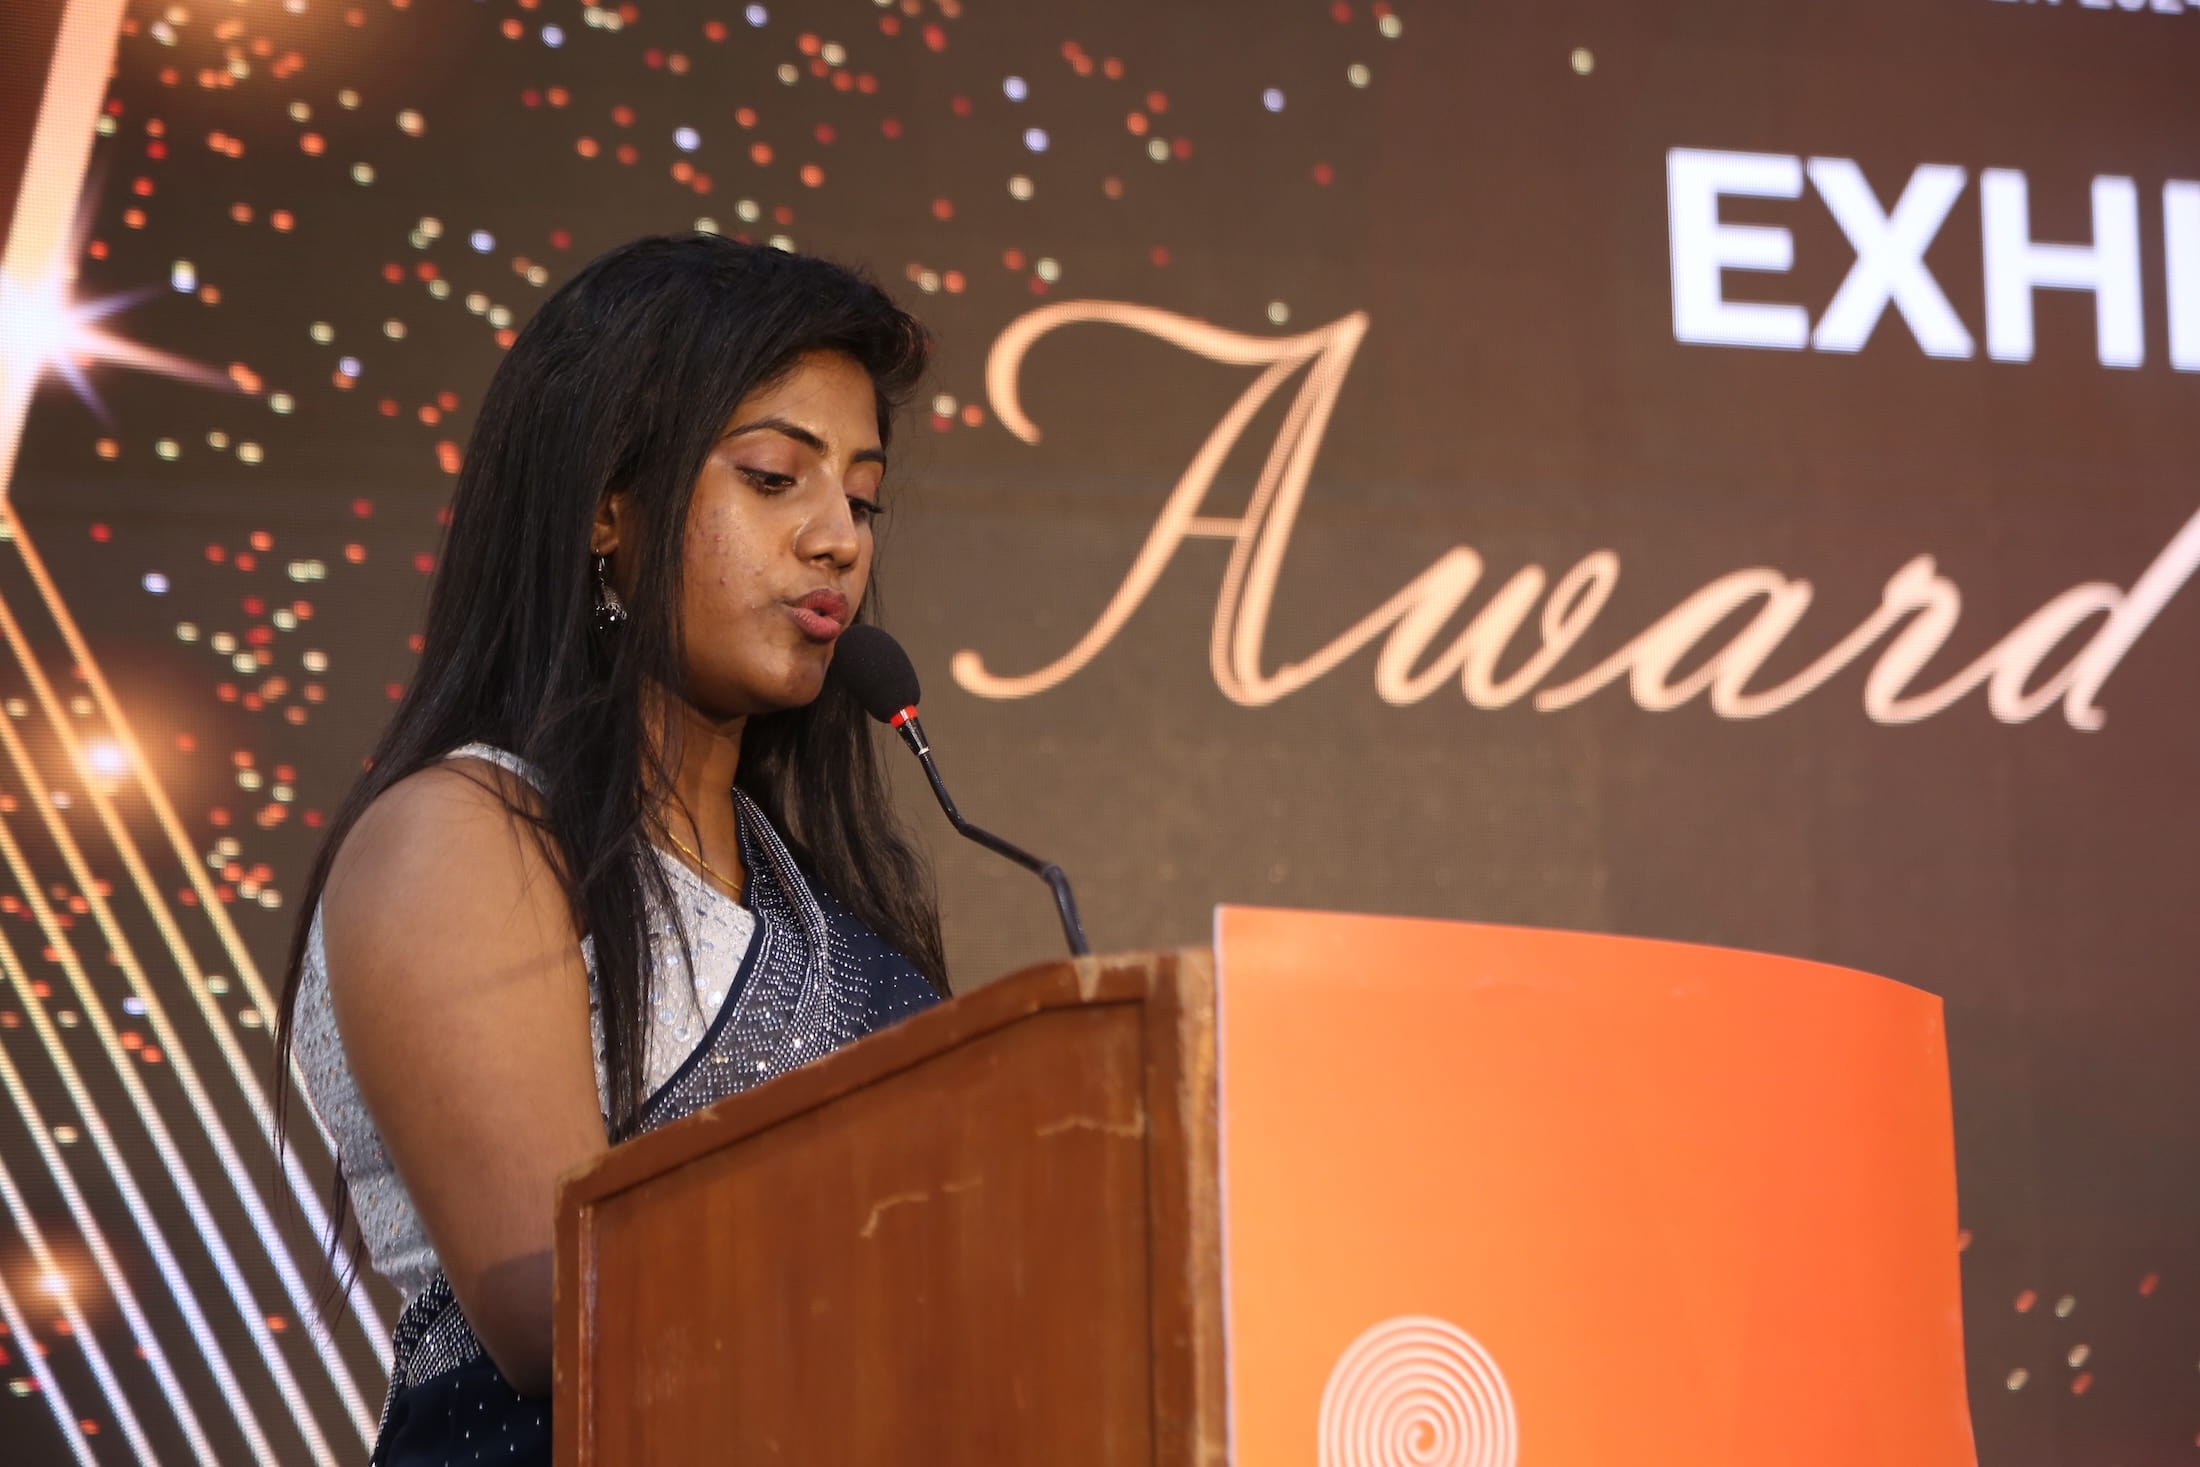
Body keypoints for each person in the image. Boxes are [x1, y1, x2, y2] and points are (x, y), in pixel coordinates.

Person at [272, 234, 950, 1465]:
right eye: (771, 478)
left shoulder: (812, 897)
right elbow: (557, 1306)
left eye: (862, 495)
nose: (839, 539)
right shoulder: (466, 835)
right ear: (604, 507)